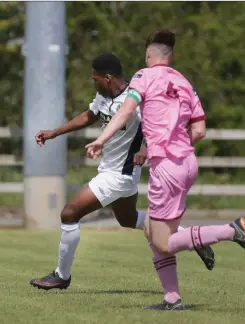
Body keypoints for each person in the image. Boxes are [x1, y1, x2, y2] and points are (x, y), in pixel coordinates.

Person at [86, 31, 245, 311]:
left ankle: (229, 231)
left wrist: (100, 140)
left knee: (163, 241)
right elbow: (200, 131)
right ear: (171, 57)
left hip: (166, 168)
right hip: (187, 164)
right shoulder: (185, 83)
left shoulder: (143, 77)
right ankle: (172, 298)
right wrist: (167, 146)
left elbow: (125, 112)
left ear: (148, 56)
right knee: (153, 232)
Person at [30, 53, 215, 291]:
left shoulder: (135, 101)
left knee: (69, 214)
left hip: (120, 175)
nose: (93, 83)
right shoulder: (104, 96)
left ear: (107, 78)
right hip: (113, 171)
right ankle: (192, 237)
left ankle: (61, 276)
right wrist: (55, 132)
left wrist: (147, 149)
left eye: (95, 79)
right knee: (128, 220)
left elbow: (162, 127)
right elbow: (89, 116)